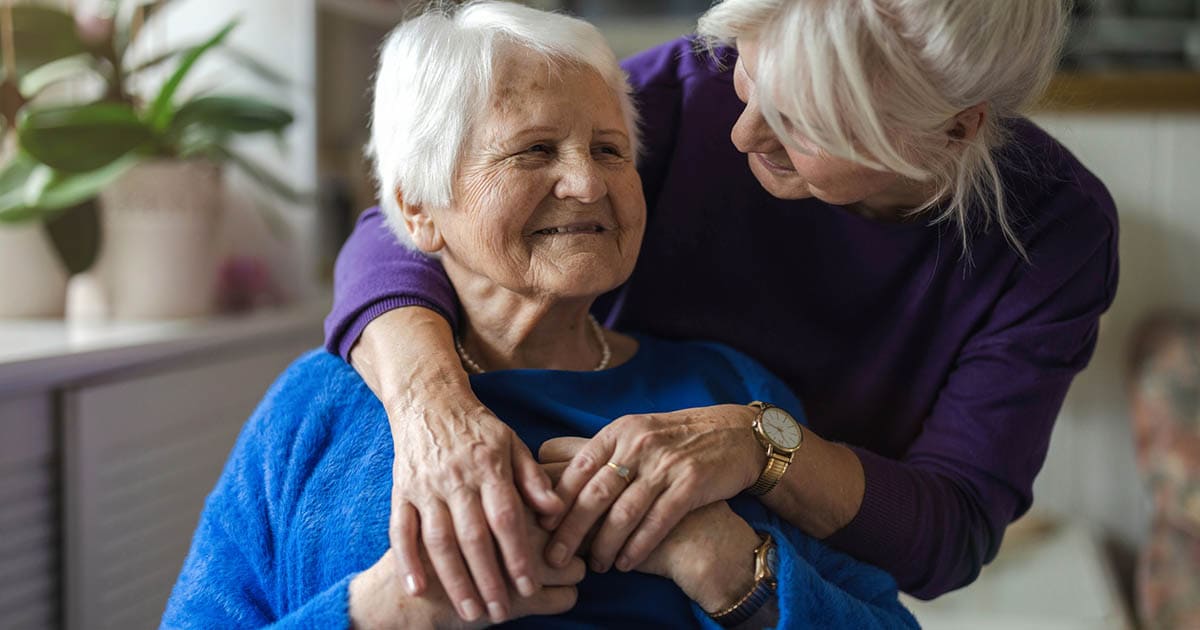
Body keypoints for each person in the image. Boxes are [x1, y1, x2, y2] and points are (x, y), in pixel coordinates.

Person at [329, 0, 1118, 616]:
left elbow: (951, 529)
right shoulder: (690, 88)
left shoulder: (1054, 234)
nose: (742, 133)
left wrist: (761, 450)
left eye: (805, 120)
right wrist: (435, 412)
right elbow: (414, 220)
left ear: (953, 129)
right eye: (749, 74)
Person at [160, 4, 919, 627]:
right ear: (417, 210)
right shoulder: (317, 407)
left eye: (611, 149)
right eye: (532, 151)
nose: (588, 183)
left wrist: (725, 563)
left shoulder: (726, 394)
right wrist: (381, 613)